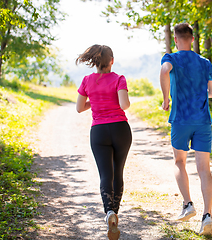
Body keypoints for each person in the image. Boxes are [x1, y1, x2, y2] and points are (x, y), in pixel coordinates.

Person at [159, 23, 212, 236]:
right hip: (202, 120)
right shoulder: (204, 62)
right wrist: (200, 93)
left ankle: (188, 204)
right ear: (192, 39)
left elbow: (165, 71)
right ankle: (208, 216)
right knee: (204, 169)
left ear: (176, 40)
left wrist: (166, 99)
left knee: (179, 162)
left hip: (181, 120)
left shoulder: (171, 58)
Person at [75, 44, 132, 240]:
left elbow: (79, 108)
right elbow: (124, 104)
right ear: (111, 61)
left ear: (95, 62)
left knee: (105, 174)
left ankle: (109, 213)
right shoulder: (119, 79)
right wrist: (118, 98)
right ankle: (115, 212)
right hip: (120, 130)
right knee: (118, 172)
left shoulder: (87, 80)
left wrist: (97, 100)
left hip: (98, 132)